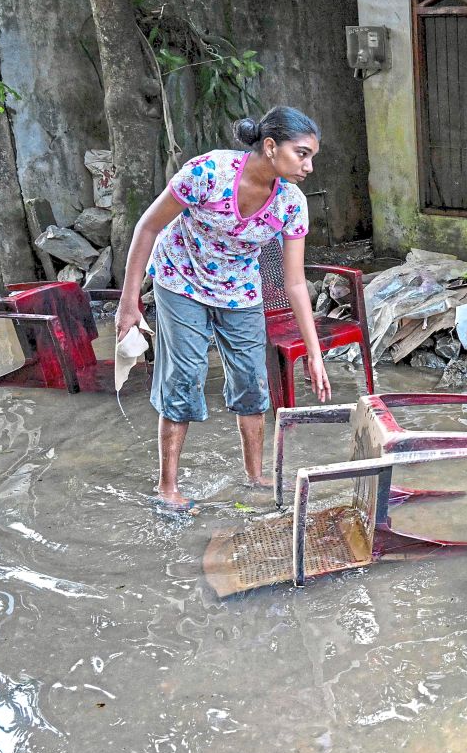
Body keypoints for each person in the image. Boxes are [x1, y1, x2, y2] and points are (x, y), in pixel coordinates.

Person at [115, 106, 331, 508]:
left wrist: (315, 355)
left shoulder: (291, 203)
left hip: (239, 290)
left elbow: (296, 283)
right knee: (186, 373)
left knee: (251, 377)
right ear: (270, 147)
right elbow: (148, 226)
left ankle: (255, 476)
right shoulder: (208, 174)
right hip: (180, 280)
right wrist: (128, 305)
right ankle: (168, 487)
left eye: (311, 156)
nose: (309, 166)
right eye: (302, 154)